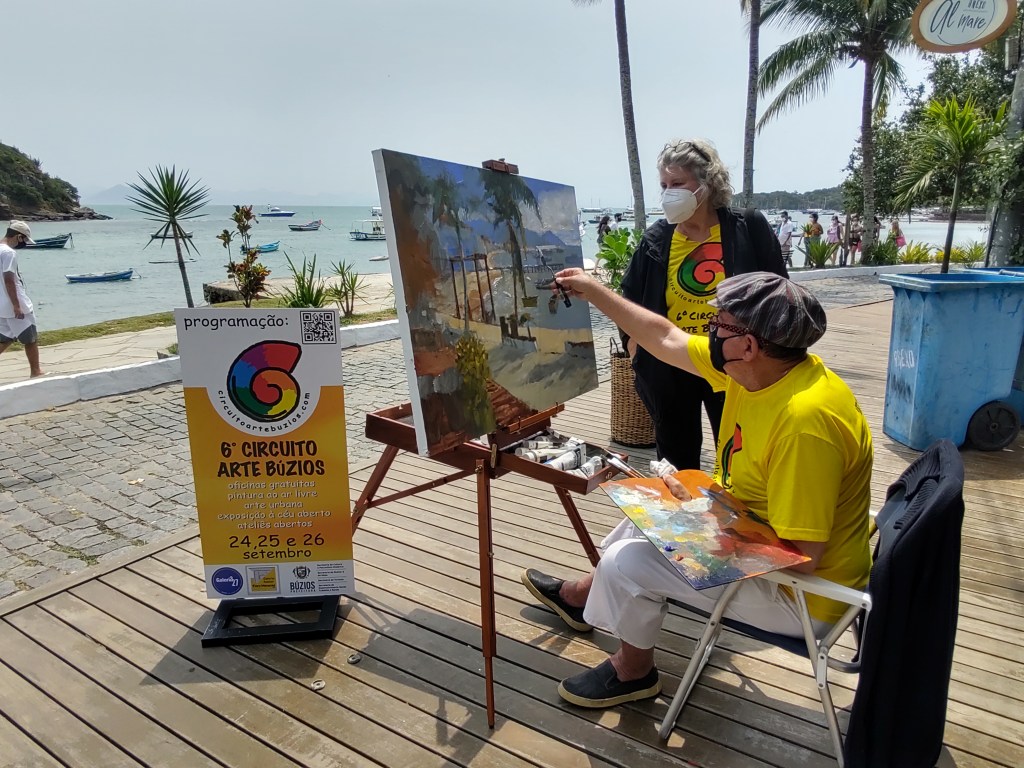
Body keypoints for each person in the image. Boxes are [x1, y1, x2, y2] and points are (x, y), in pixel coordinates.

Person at [523, 270, 873, 708]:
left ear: (748, 345)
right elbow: (665, 337)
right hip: (769, 547)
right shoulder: (763, 372)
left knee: (625, 562)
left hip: (801, 597)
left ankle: (634, 672)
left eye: (719, 324)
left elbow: (804, 556)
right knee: (647, 512)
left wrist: (703, 524)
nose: (709, 332)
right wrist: (593, 291)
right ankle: (580, 599)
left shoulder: (804, 424)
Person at [619, 138, 786, 472]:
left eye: (678, 183)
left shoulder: (748, 228)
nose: (668, 193)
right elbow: (630, 298)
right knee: (675, 463)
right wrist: (634, 347)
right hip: (672, 363)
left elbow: (779, 293)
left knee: (740, 458)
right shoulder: (656, 239)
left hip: (734, 363)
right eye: (664, 185)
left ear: (706, 183)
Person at [0, 221, 45, 378]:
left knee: (5, 339)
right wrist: (16, 305)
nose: (24, 243)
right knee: (30, 338)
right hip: (15, 303)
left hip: (2, 305)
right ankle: (36, 371)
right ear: (18, 237)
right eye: (24, 239)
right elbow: (9, 280)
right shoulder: (9, 253)